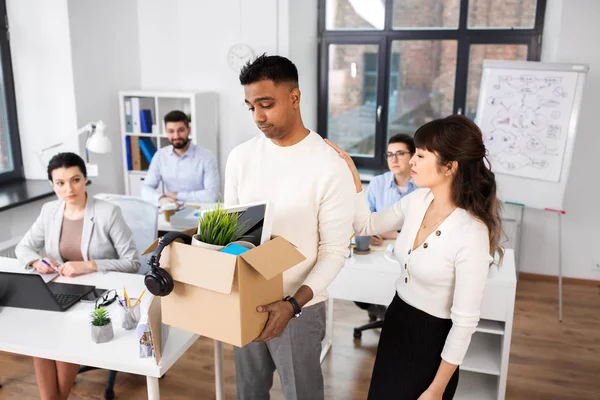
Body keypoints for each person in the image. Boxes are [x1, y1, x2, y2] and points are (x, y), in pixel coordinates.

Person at [327, 115, 503, 399]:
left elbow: (464, 323)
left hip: (432, 341)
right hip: (398, 319)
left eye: (420, 155)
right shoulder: (417, 201)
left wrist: (436, 389)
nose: (411, 162)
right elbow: (366, 225)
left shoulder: (471, 232)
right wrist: (353, 176)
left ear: (449, 167)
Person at [225, 54, 355, 400]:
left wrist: (293, 305)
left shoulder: (328, 166)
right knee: (249, 393)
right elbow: (232, 234)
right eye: (250, 106)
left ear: (294, 98)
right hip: (248, 300)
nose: (258, 117)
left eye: (266, 104)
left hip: (300, 308)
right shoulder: (240, 158)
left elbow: (334, 251)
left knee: (302, 394)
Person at [15, 152, 140, 400]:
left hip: (97, 295)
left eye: (75, 180)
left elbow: (132, 262)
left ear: (84, 179)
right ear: (52, 185)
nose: (68, 189)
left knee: (65, 331)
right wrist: (36, 260)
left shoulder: (107, 213)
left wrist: (90, 264)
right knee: (39, 336)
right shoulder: (49, 210)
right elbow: (23, 248)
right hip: (61, 289)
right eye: (60, 183)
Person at [355, 133, 418, 321]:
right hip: (378, 251)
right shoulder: (377, 184)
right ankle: (380, 310)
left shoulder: (424, 188)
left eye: (400, 153)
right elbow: (364, 221)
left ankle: (395, 317)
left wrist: (392, 234)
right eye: (389, 155)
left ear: (413, 157)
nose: (394, 159)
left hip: (412, 254)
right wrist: (371, 232)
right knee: (357, 279)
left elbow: (425, 230)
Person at [141, 110, 220, 206]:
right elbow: (145, 189)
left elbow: (211, 196)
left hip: (202, 209)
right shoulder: (160, 156)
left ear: (189, 130)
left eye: (181, 130)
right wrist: (160, 198)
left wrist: (177, 195)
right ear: (166, 132)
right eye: (171, 131)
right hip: (173, 208)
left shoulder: (206, 156)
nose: (176, 136)